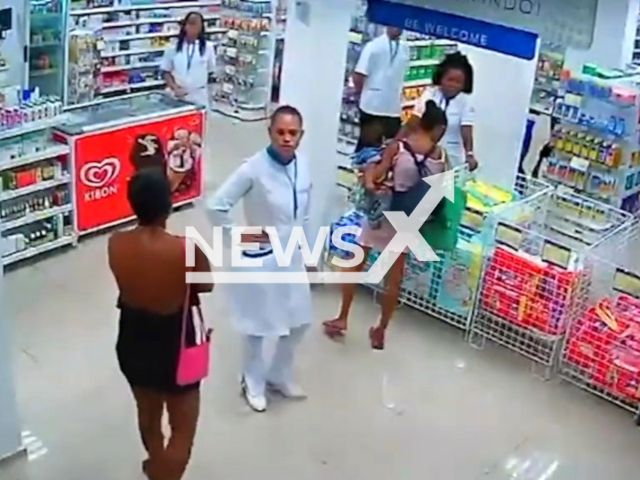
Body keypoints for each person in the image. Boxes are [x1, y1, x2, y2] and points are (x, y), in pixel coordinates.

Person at [205, 105, 312, 413]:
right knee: (257, 324)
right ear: (269, 133)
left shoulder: (302, 166)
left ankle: (278, 373)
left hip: (291, 256)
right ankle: (252, 380)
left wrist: (307, 251)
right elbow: (216, 205)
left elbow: (302, 212)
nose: (286, 138)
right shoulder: (253, 168)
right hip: (259, 259)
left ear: (301, 136)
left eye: (293, 133)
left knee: (298, 320)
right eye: (280, 132)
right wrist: (239, 235)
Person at [108, 169, 213, 480]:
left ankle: (156, 464)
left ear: (133, 204)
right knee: (183, 429)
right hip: (176, 344)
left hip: (132, 337)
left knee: (148, 413)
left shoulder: (116, 243)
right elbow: (206, 285)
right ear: (168, 206)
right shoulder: (186, 249)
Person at [323, 100, 449, 349]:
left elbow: (379, 174)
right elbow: (440, 190)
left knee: (355, 264)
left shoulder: (398, 148)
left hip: (384, 214)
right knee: (393, 281)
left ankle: (342, 317)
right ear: (437, 128)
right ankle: (381, 329)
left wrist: (372, 176)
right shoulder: (440, 156)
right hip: (408, 222)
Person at [399, 52, 477, 170]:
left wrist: (469, 154)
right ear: (440, 78)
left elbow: (466, 130)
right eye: (450, 80)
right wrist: (396, 141)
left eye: (458, 82)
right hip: (425, 155)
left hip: (451, 158)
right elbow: (413, 122)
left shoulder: (465, 101)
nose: (453, 85)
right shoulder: (429, 93)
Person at [352, 27, 409, 151]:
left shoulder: (405, 48)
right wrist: (361, 94)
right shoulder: (373, 46)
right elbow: (359, 74)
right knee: (368, 143)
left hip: (393, 107)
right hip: (372, 105)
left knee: (391, 146)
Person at [161, 11, 216, 108]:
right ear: (185, 26)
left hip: (199, 97)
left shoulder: (208, 47)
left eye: (195, 25)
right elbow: (166, 71)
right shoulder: (173, 47)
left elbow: (211, 70)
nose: (192, 28)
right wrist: (175, 87)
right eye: (190, 24)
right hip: (177, 95)